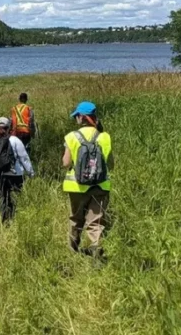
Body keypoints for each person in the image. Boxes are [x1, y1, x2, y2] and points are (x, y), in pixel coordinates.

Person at [62, 101, 112, 258]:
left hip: (76, 186)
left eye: (76, 116)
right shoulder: (104, 137)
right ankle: (96, 251)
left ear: (82, 117)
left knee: (76, 218)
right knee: (96, 221)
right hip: (100, 186)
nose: (76, 119)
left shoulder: (71, 137)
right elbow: (111, 164)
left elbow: (66, 163)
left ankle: (73, 251)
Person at [0, 116, 34, 223]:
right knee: (14, 199)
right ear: (9, 128)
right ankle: (14, 221)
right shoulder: (15, 140)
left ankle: (2, 223)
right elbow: (24, 158)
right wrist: (30, 173)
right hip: (14, 174)